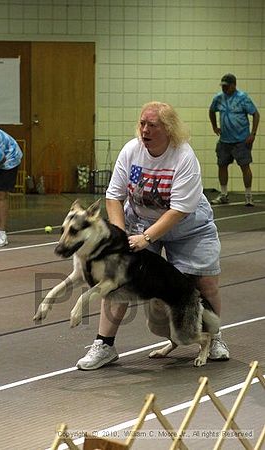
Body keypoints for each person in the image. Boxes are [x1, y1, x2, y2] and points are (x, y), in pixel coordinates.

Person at [76, 101, 229, 371]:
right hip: (140, 217)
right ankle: (104, 345)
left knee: (205, 281)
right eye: (142, 124)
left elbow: (179, 210)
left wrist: (146, 238)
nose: (144, 130)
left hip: (188, 225)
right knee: (118, 278)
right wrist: (120, 234)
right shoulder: (131, 150)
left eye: (152, 125)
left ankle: (214, 337)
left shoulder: (183, 157)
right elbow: (114, 196)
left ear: (168, 129)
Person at [209, 73, 260, 206]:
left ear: (233, 85)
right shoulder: (218, 98)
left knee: (245, 166)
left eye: (227, 86)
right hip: (225, 140)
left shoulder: (243, 98)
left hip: (241, 140)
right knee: (222, 165)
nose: (224, 89)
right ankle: (224, 194)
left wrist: (253, 134)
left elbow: (255, 114)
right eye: (223, 86)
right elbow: (211, 110)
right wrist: (215, 126)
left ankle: (248, 195)